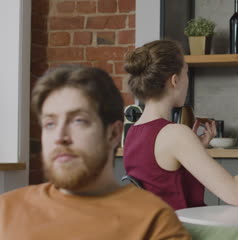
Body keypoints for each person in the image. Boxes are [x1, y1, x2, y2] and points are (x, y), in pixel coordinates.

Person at [0, 65, 191, 239]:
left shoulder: (154, 222)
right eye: (50, 124)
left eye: (78, 121)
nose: (60, 136)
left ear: (114, 133)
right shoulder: (5, 210)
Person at [123, 40, 238, 210]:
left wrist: (195, 148)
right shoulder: (175, 134)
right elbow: (236, 194)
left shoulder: (133, 131)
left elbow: (161, 183)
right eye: (186, 73)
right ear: (175, 80)